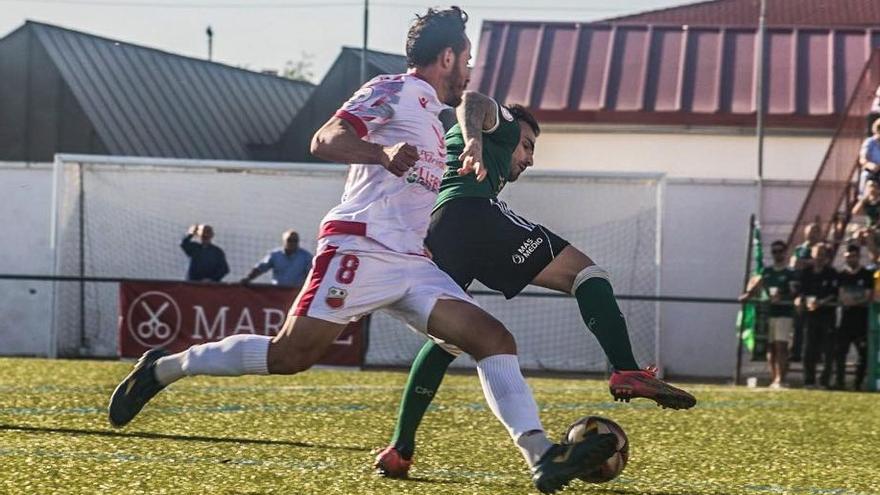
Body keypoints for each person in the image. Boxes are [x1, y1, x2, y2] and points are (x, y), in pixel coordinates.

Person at [108, 8, 616, 494]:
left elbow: (468, 117)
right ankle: (163, 367)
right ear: (447, 59)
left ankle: (540, 455)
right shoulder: (391, 90)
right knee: (289, 356)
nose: (469, 70)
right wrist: (381, 153)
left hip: (410, 263)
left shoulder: (438, 118)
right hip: (360, 245)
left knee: (491, 337)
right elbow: (324, 139)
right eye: (466, 60)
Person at [373, 92, 696, 478]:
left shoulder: (451, 142)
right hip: (473, 213)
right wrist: (478, 136)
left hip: (437, 230)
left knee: (448, 341)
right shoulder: (503, 125)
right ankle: (626, 369)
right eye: (527, 146)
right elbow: (473, 100)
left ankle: (400, 449)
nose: (529, 158)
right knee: (587, 275)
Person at [739, 240, 798, 389]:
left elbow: (795, 292)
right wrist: (748, 295)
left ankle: (781, 378)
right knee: (771, 347)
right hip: (768, 314)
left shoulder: (790, 273)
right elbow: (756, 284)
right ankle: (774, 378)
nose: (777, 254)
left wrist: (782, 296)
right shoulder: (767, 271)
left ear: (785, 252)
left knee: (781, 346)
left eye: (780, 251)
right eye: (774, 251)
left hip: (784, 314)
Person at [796, 243, 838, 388]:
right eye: (817, 253)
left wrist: (821, 302)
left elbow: (834, 294)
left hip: (826, 315)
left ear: (826, 257)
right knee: (809, 348)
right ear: (812, 255)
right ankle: (809, 380)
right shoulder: (806, 273)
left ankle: (825, 381)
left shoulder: (831, 273)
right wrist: (800, 300)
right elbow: (800, 291)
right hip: (810, 315)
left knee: (828, 349)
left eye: (822, 254)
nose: (819, 257)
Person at [834, 244, 872, 390]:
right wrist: (850, 299)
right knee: (840, 352)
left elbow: (867, 296)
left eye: (853, 256)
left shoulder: (866, 275)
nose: (851, 259)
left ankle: (857, 383)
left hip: (861, 320)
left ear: (859, 256)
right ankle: (840, 382)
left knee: (863, 353)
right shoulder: (842, 275)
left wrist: (854, 300)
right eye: (848, 256)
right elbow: (841, 295)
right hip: (846, 320)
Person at [789, 221, 822, 362]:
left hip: (816, 288)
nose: (812, 234)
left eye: (815, 231)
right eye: (810, 231)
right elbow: (793, 263)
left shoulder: (822, 248)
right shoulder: (800, 248)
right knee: (799, 323)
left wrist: (805, 263)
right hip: (800, 288)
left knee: (815, 325)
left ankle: (816, 353)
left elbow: (819, 263)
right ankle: (796, 352)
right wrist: (808, 262)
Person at [240, 230, 312, 287]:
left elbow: (312, 274)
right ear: (284, 241)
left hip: (296, 292)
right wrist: (248, 278)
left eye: (295, 240)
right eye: (289, 240)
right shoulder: (275, 255)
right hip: (277, 293)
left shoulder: (306, 257)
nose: (292, 243)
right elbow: (260, 268)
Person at [859, 119, 880, 192]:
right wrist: (870, 165)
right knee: (867, 176)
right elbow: (862, 159)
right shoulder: (870, 142)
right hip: (871, 172)